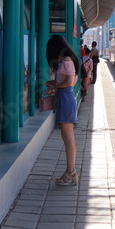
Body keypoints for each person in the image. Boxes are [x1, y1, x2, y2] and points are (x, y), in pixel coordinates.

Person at [45, 35, 79, 185]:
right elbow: (69, 80)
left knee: (68, 137)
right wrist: (56, 83)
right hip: (65, 97)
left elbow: (69, 82)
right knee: (67, 137)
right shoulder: (68, 60)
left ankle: (70, 172)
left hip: (65, 98)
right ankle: (70, 172)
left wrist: (55, 86)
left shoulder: (66, 61)